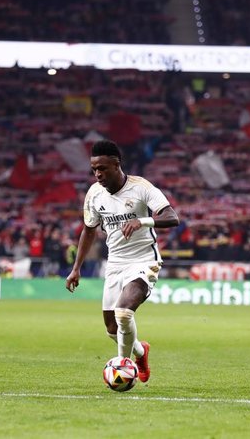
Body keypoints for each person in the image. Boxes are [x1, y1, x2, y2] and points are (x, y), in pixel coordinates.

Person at [65, 140, 179, 383]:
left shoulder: (141, 187)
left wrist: (142, 221)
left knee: (124, 313)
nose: (98, 174)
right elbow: (88, 230)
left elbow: (172, 217)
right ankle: (140, 352)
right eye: (94, 169)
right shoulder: (94, 194)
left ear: (117, 165)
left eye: (103, 168)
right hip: (115, 264)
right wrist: (76, 268)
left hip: (144, 260)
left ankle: (122, 370)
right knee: (111, 329)